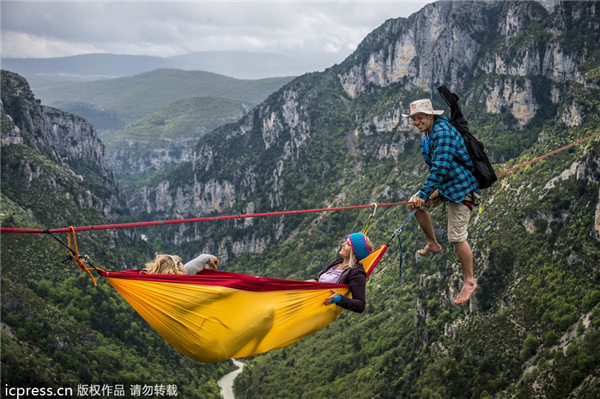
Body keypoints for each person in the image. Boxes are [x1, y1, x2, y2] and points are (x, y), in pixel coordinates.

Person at [402, 98, 480, 304]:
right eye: (413, 119)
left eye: (420, 117)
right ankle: (432, 243)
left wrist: (425, 193)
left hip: (463, 189)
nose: (416, 122)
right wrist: (431, 192)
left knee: (456, 236)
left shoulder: (442, 133)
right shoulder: (429, 134)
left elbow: (440, 168)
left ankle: (469, 281)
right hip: (446, 186)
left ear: (430, 116)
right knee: (413, 204)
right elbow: (438, 168)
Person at [307, 232, 374, 313]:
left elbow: (360, 305)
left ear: (354, 252)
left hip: (318, 310)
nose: (343, 244)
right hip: (309, 300)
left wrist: (339, 299)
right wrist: (314, 282)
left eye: (348, 244)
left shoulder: (356, 273)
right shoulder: (337, 262)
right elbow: (324, 282)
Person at [141, 253, 219, 275]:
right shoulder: (183, 276)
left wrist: (211, 258)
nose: (182, 264)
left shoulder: (183, 273)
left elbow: (199, 261)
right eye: (179, 263)